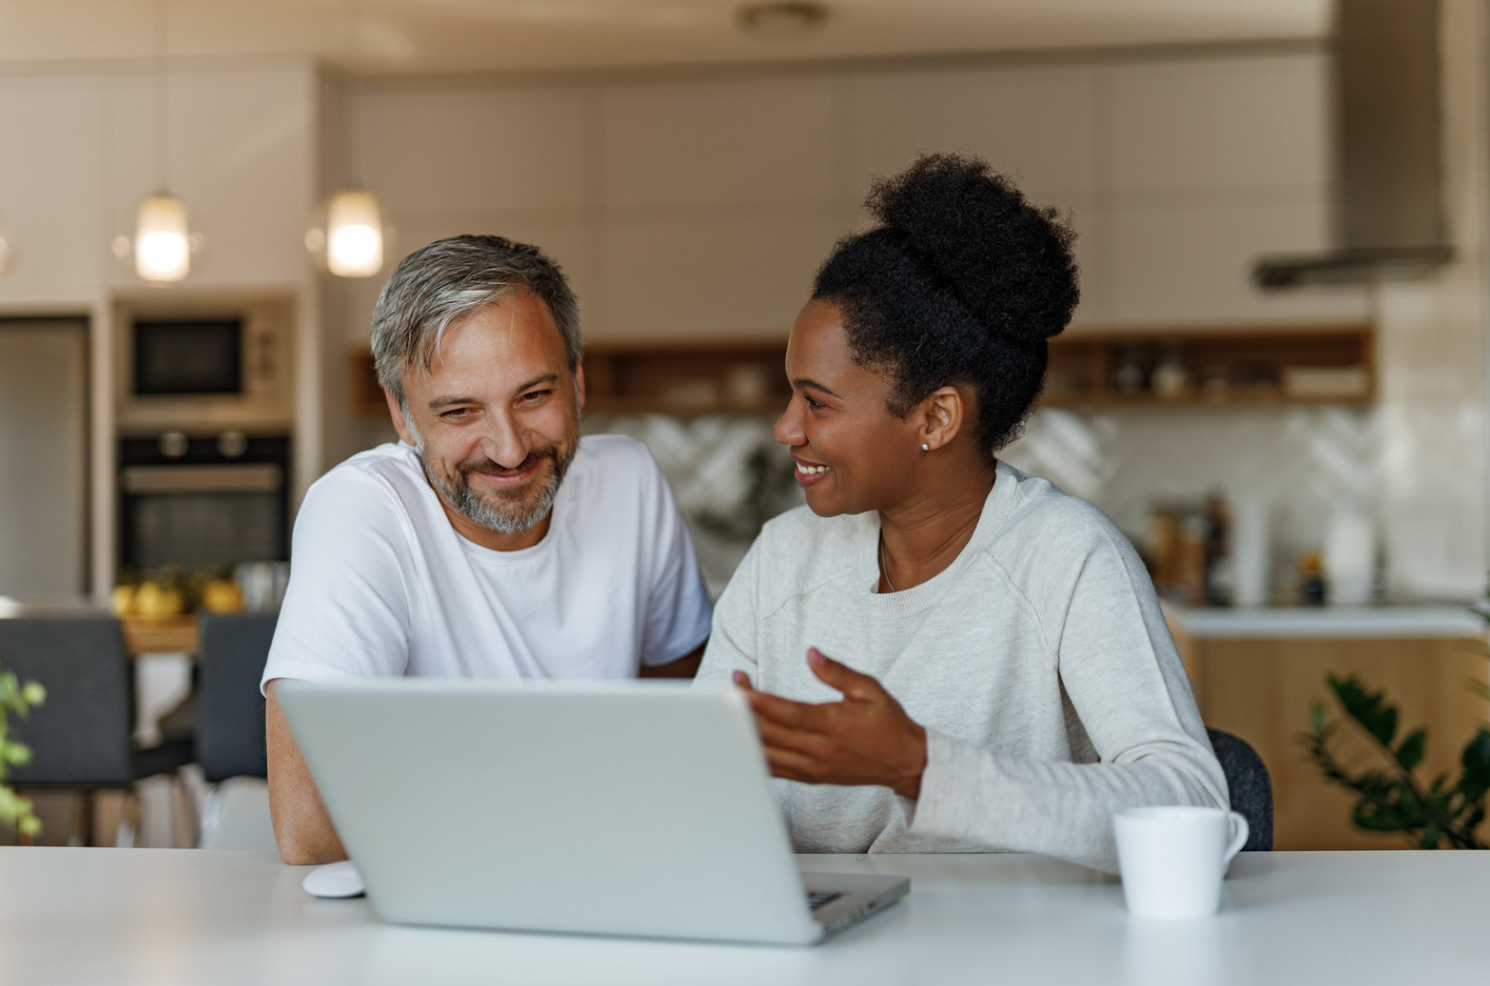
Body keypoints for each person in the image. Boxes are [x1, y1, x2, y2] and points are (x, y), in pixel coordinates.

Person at [694, 154, 1226, 874]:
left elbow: (1190, 803)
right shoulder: (783, 559)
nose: (787, 428)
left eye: (817, 402)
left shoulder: (1065, 558)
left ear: (936, 417)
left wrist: (922, 769)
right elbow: (701, 786)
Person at [264, 235, 713, 865]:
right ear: (401, 414)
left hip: (607, 882)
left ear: (577, 381)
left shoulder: (629, 481)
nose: (508, 448)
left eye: (534, 396)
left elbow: (687, 726)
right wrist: (596, 803)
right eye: (458, 412)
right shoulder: (360, 510)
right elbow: (309, 827)